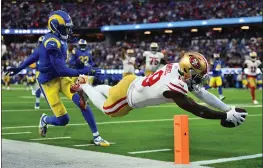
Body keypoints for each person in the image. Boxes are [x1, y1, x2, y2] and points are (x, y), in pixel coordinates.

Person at [5, 10, 109, 146]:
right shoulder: (51, 42)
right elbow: (62, 69)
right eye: (65, 28)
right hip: (49, 83)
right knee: (63, 120)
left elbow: (36, 54)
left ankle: (97, 136)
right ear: (55, 27)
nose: (67, 31)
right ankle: (45, 119)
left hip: (61, 78)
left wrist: (19, 67)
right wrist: (86, 70)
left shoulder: (55, 39)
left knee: (82, 103)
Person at [72, 52, 247, 127]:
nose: (200, 77)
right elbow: (198, 109)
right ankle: (85, 85)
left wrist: (227, 109)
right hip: (128, 97)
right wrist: (224, 116)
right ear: (187, 71)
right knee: (108, 109)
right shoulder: (174, 87)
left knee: (111, 90)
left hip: (132, 80)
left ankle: (92, 87)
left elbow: (202, 93)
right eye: (198, 74)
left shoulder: (176, 66)